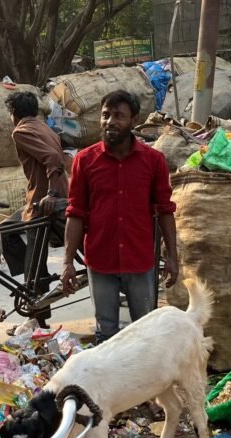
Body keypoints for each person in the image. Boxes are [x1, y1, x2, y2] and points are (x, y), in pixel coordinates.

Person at [61, 90, 178, 344]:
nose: (110, 122)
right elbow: (76, 212)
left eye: (118, 116)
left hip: (140, 258)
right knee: (106, 332)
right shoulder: (84, 161)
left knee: (145, 331)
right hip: (101, 259)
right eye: (105, 115)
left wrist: (172, 256)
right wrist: (67, 262)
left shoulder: (153, 161)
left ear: (133, 120)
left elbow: (165, 211)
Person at [2, 91, 69, 329]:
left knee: (34, 260)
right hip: (49, 197)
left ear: (14, 113)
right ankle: (31, 286)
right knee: (7, 229)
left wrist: (51, 193)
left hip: (44, 202)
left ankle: (36, 312)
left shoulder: (20, 131)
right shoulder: (44, 127)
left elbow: (52, 157)